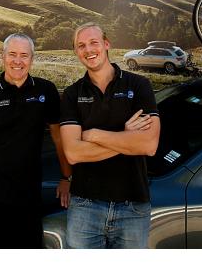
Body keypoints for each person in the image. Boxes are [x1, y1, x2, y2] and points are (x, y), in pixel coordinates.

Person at [0, 33, 71, 249]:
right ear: (3, 56)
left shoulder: (45, 91)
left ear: (32, 59)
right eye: (12, 54)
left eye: (24, 55)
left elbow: (59, 138)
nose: (17, 61)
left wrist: (67, 177)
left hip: (28, 200)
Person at [60, 22, 160, 249]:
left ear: (106, 44)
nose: (88, 50)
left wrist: (93, 134)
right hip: (85, 206)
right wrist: (127, 137)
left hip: (133, 206)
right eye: (81, 45)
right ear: (76, 52)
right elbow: (73, 154)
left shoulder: (139, 85)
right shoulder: (72, 94)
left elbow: (149, 144)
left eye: (94, 42)